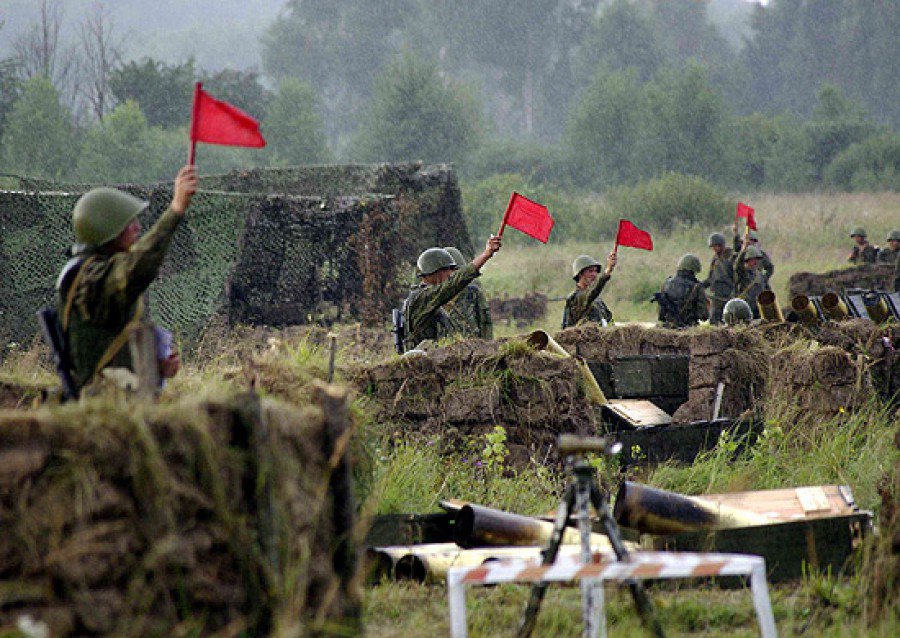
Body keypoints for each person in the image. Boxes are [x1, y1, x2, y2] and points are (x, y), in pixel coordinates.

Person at [57, 165, 197, 392]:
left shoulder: (96, 272)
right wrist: (176, 210)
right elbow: (135, 268)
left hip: (119, 393)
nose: (137, 228)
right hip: (103, 401)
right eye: (128, 224)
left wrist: (157, 367)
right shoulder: (89, 279)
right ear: (106, 230)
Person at [402, 236, 502, 351]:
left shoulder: (428, 297)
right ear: (435, 272)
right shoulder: (422, 298)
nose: (451, 273)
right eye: (448, 269)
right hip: (425, 363)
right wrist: (486, 254)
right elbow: (453, 284)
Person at [443, 246, 493, 340]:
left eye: (456, 271)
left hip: (473, 348)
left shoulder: (473, 294)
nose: (451, 275)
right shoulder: (433, 297)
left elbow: (485, 324)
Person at [562, 252, 617, 329]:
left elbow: (609, 320)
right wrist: (608, 269)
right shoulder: (575, 297)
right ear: (580, 274)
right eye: (590, 271)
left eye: (596, 271)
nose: (594, 274)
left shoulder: (597, 300)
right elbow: (593, 293)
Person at [655, 253, 708, 328]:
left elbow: (660, 312)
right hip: (688, 329)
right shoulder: (696, 287)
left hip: (667, 327)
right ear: (693, 270)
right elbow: (703, 315)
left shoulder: (666, 283)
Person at [702, 232, 735, 324]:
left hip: (728, 294)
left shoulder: (731, 257)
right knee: (714, 321)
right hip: (717, 295)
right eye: (712, 246)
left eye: (715, 246)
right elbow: (710, 278)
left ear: (721, 245)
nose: (714, 249)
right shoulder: (715, 259)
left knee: (730, 320)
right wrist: (699, 286)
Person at [733, 243, 770, 319]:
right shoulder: (743, 274)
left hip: (759, 309)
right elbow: (737, 266)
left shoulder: (760, 275)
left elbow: (765, 289)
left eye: (756, 259)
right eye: (753, 259)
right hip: (745, 308)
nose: (755, 262)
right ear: (747, 260)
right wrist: (743, 251)